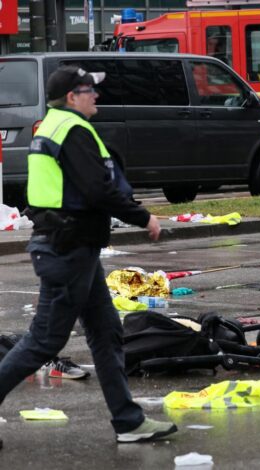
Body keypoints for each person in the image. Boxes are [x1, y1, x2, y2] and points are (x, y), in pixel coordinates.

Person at [0, 66, 176, 449]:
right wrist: (143, 216)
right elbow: (98, 190)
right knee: (44, 341)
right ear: (71, 96)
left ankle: (128, 422)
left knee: (106, 331)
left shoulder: (52, 124)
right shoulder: (73, 130)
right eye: (88, 90)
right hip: (68, 248)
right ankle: (128, 421)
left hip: (72, 246)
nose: (95, 95)